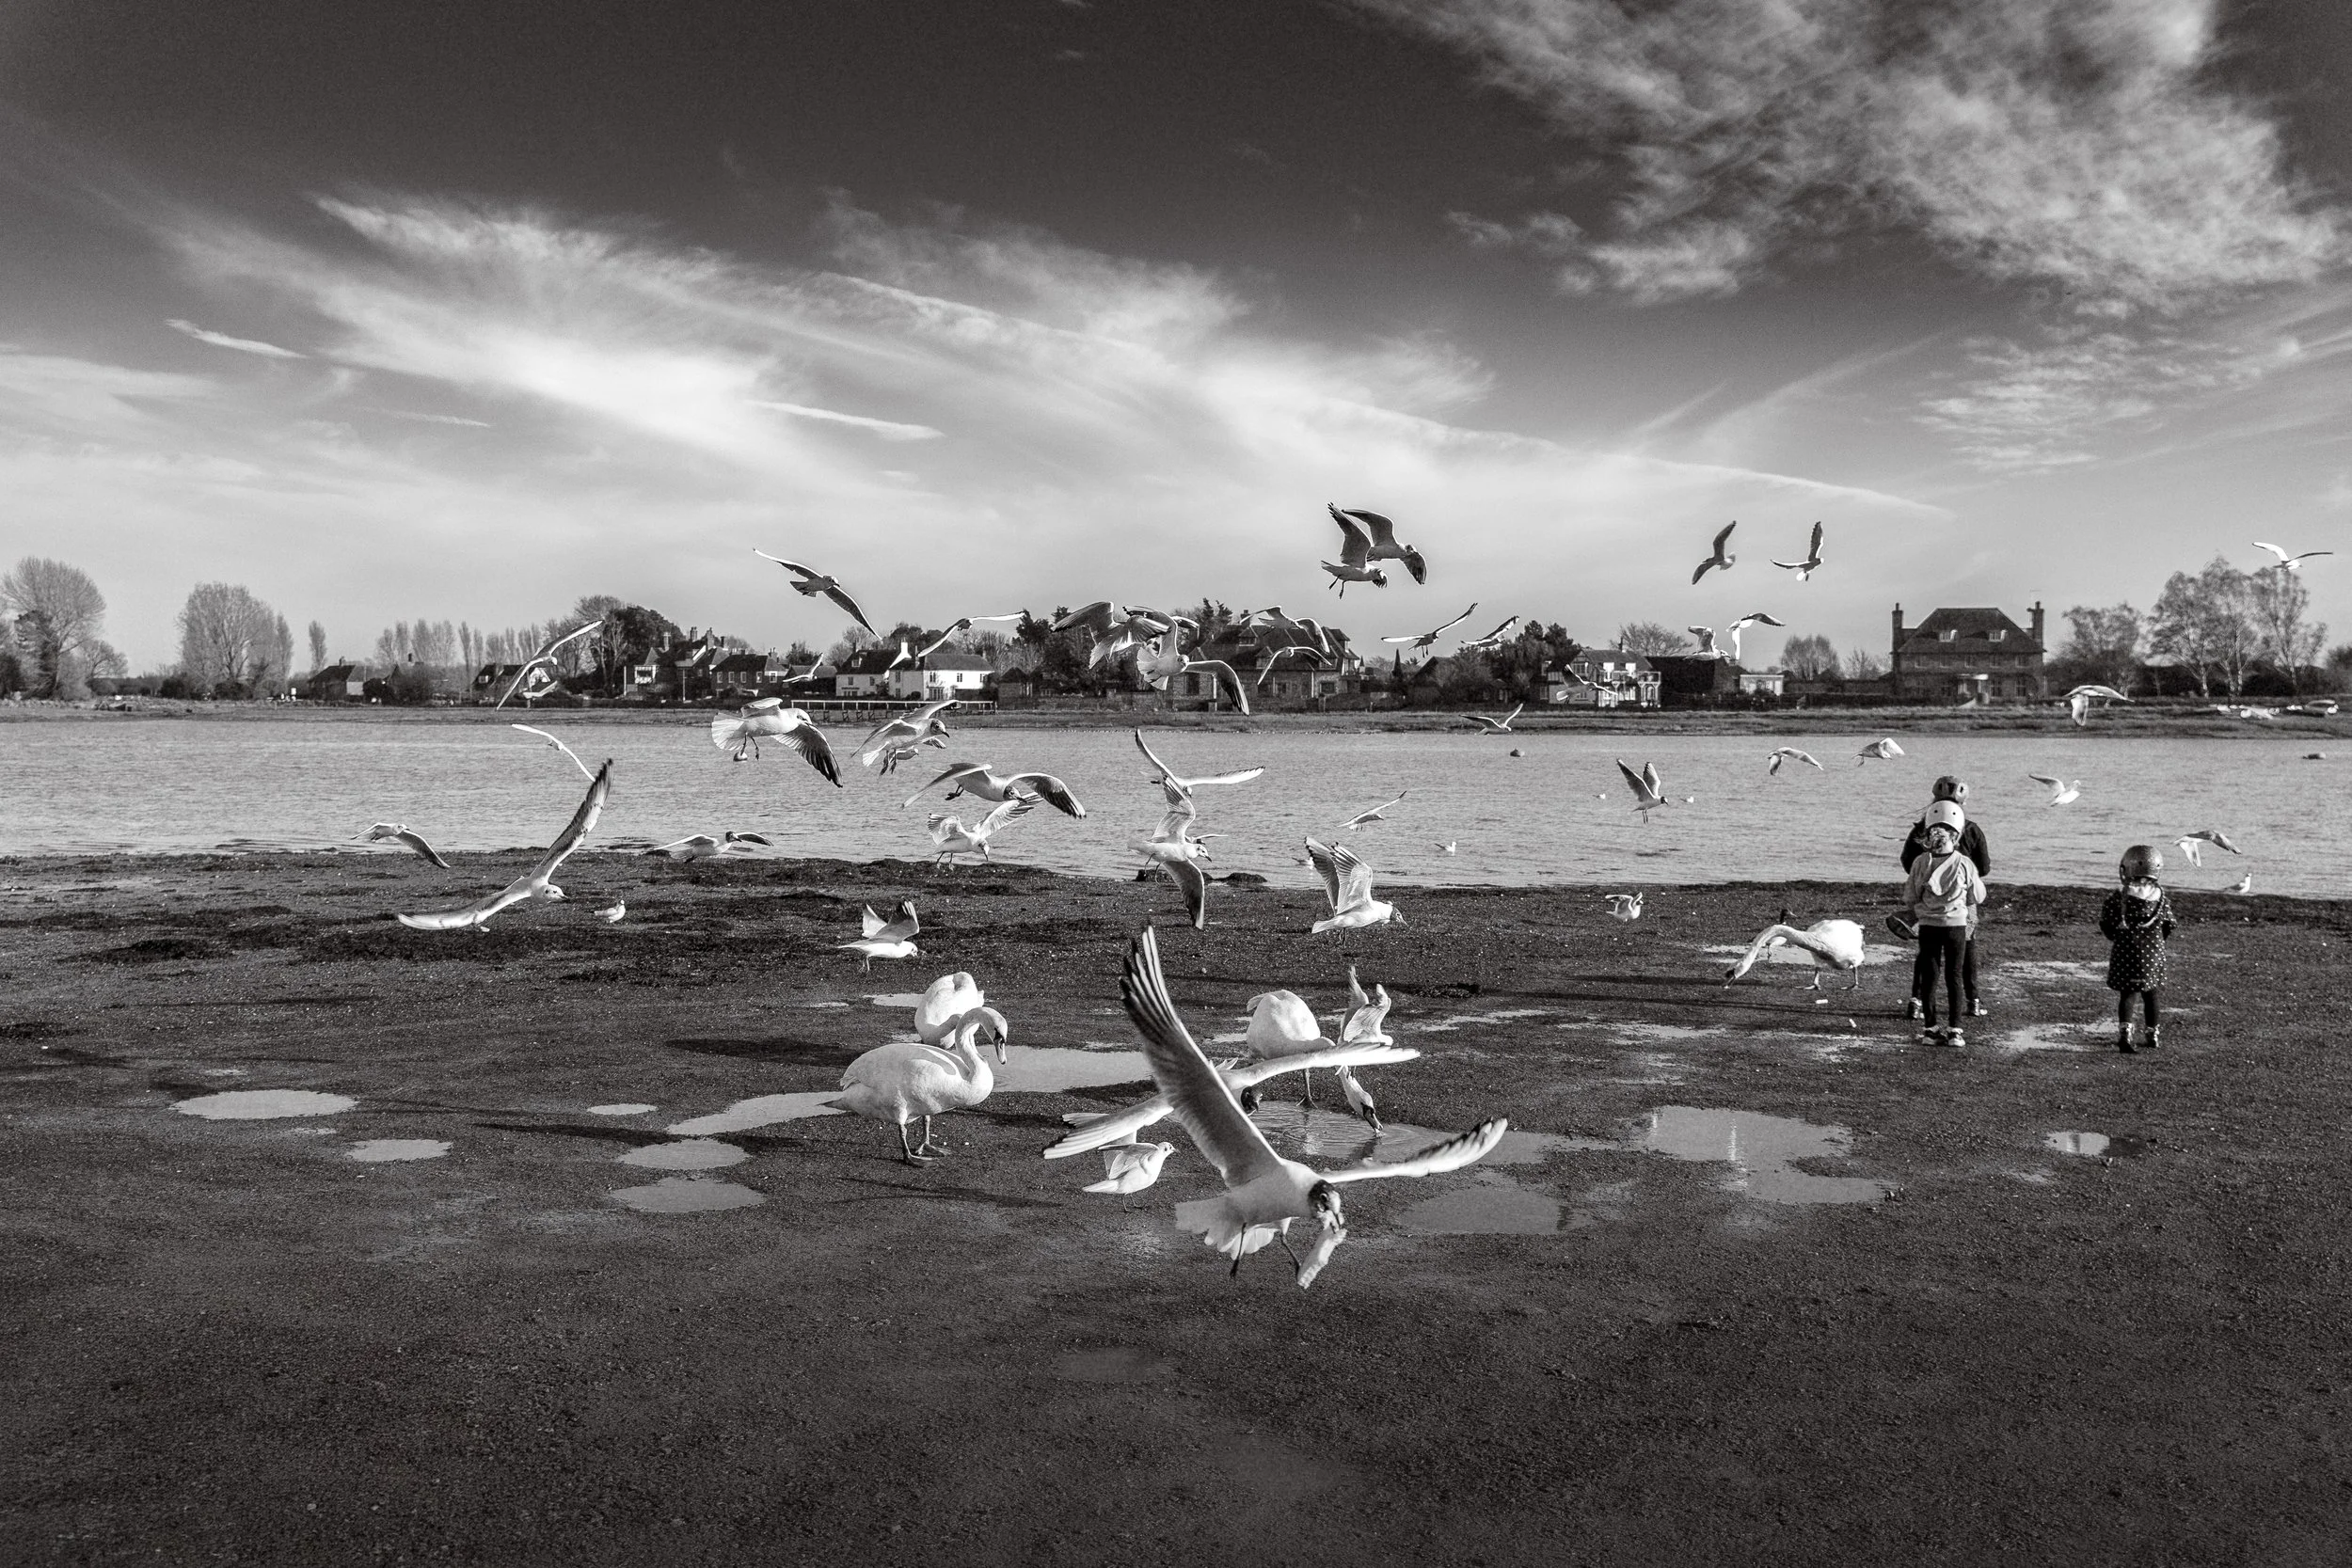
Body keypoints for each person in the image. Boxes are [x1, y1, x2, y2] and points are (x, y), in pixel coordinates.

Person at [1898, 776, 1993, 1019]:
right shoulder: (1971, 830)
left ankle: (1916, 1002)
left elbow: (1907, 862)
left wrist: (1925, 878)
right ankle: (1973, 1001)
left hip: (1927, 903)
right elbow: (1984, 867)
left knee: (1926, 954)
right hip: (1961, 904)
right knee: (1966, 951)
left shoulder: (1921, 829)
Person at [2101, 845, 2179, 1054]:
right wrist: (2157, 943)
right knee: (2151, 994)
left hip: (2125, 952)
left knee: (2128, 995)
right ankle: (2152, 1035)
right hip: (2152, 954)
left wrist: (2116, 937)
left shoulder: (2118, 898)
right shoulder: (2161, 899)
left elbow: (2107, 924)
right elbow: (2169, 926)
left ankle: (2125, 1034)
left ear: (2126, 868)